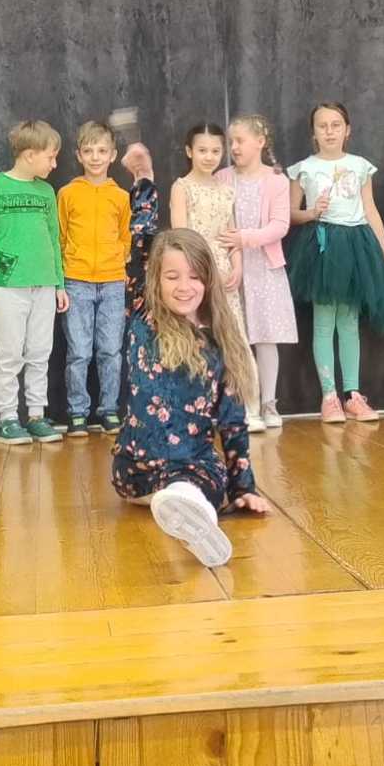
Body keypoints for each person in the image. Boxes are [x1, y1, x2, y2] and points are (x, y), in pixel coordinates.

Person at [112, 143, 269, 568]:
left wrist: (244, 487)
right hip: (137, 467)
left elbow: (233, 423)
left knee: (202, 478)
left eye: (195, 277)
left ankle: (184, 508)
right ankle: (186, 503)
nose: (184, 287)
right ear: (154, 280)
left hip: (184, 467)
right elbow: (142, 238)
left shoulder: (219, 342)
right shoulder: (144, 316)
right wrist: (144, 179)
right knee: (196, 482)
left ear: (209, 281)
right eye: (173, 277)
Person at [286, 102, 384, 423]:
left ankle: (353, 395)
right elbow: (291, 214)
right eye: (322, 126)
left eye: (336, 125)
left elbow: (370, 210)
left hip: (355, 247)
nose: (329, 131)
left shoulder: (360, 165)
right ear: (313, 132)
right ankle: (329, 396)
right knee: (324, 323)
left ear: (347, 130)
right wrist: (312, 212)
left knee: (349, 323)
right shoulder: (303, 169)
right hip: (322, 247)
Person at [0, 120, 68, 443]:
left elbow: (54, 239)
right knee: (10, 353)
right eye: (50, 157)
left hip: (44, 284)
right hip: (7, 283)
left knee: (40, 351)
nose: (54, 164)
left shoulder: (46, 191)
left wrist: (59, 284)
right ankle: (8, 417)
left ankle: (37, 414)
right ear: (29, 155)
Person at [217, 114, 296, 430]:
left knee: (265, 337)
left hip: (264, 268)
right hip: (231, 268)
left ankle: (268, 402)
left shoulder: (276, 181)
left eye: (240, 141)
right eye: (231, 142)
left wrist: (245, 238)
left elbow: (280, 225)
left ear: (260, 142)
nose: (234, 147)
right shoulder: (223, 178)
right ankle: (241, 403)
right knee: (234, 337)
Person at [170, 122, 251, 415]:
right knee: (197, 336)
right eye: (202, 150)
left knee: (232, 336)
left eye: (216, 151)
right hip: (196, 272)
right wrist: (199, 273)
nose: (209, 156)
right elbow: (180, 236)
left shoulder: (226, 190)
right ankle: (194, 405)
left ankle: (240, 407)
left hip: (225, 273)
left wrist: (237, 266)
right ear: (189, 151)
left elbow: (232, 234)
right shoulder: (182, 187)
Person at [57, 120, 131, 437]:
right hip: (76, 280)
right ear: (79, 155)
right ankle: (77, 413)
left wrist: (118, 263)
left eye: (102, 151)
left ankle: (109, 410)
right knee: (79, 351)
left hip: (113, 283)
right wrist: (63, 273)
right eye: (88, 151)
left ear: (113, 155)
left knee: (110, 350)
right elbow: (60, 236)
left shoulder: (121, 196)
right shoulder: (67, 193)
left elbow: (125, 237)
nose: (95, 157)